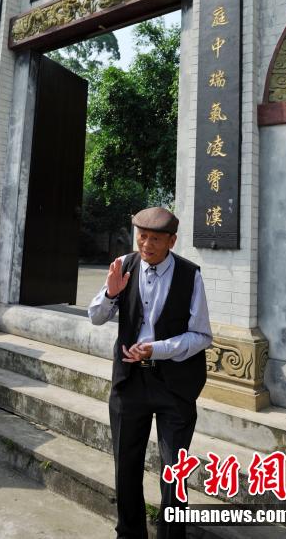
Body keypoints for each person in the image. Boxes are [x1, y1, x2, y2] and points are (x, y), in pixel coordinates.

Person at [88, 207, 212, 539]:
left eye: (155, 239)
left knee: (174, 472)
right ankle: (130, 533)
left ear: (172, 241)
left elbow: (202, 336)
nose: (146, 245)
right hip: (130, 381)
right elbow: (96, 317)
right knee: (126, 465)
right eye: (142, 237)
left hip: (175, 385)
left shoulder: (190, 275)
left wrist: (157, 349)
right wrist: (111, 292)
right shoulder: (123, 266)